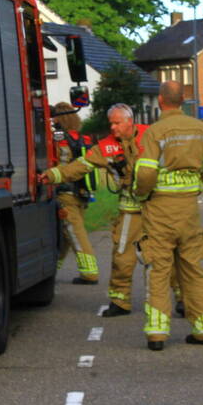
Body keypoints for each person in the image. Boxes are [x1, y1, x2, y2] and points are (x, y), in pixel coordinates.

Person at [40, 103, 185, 314]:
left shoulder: (152, 135)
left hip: (160, 208)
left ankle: (182, 298)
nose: (113, 128)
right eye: (111, 123)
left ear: (130, 121)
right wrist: (52, 175)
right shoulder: (106, 146)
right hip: (130, 210)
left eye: (117, 123)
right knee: (122, 256)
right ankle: (120, 301)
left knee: (167, 254)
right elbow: (80, 166)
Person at [134, 81, 203, 351]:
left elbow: (147, 172)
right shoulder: (201, 128)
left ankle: (157, 333)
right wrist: (202, 185)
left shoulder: (155, 132)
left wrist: (141, 192)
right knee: (193, 268)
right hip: (189, 210)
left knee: (159, 269)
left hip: (160, 210)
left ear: (161, 101)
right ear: (183, 100)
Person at [47, 102, 99, 284]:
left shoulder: (59, 139)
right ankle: (52, 269)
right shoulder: (83, 139)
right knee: (66, 234)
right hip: (82, 193)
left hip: (65, 193)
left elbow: (59, 164)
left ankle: (90, 273)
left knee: (75, 233)